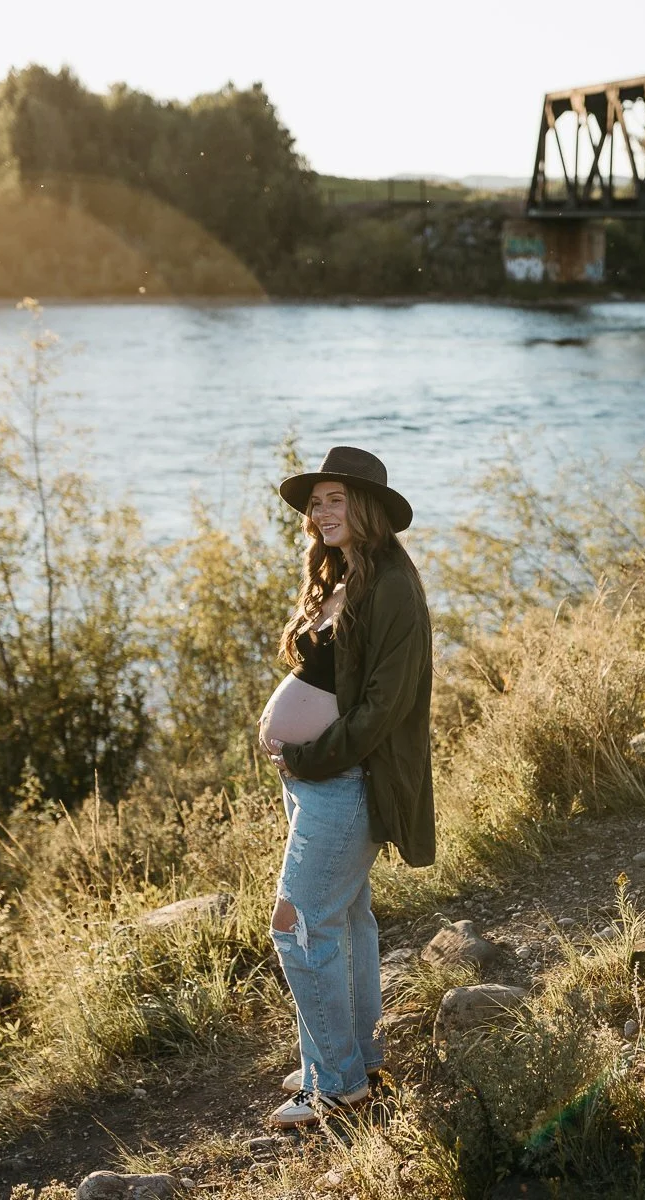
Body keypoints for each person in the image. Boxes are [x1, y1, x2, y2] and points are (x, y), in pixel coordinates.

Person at [257, 445, 434, 1130]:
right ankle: (353, 1058)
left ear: (365, 507)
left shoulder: (391, 584)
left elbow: (382, 706)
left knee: (296, 927)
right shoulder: (349, 575)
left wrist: (308, 757)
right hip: (319, 782)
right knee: (348, 924)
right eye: (316, 502)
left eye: (335, 499)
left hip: (346, 779)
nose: (321, 512)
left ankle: (336, 1087)